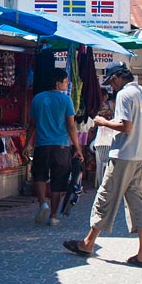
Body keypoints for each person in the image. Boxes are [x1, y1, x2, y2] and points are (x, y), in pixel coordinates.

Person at [62, 62, 142, 266]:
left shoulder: (124, 95)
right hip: (140, 155)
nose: (112, 86)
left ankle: (88, 243)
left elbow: (125, 126)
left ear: (117, 78)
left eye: (111, 82)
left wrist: (103, 122)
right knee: (137, 201)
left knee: (105, 197)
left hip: (123, 155)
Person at [24, 67, 83, 227]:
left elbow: (32, 124)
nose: (67, 83)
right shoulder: (66, 100)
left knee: (39, 176)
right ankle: (54, 215)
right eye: (65, 81)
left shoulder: (38, 99)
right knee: (58, 180)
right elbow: (71, 125)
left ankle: (43, 203)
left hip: (42, 145)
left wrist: (26, 144)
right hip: (61, 146)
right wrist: (77, 146)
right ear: (58, 83)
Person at [91, 88, 116, 187]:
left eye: (106, 95)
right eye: (103, 95)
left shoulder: (110, 104)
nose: (105, 97)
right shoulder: (97, 104)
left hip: (108, 130)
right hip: (98, 130)